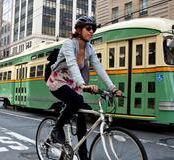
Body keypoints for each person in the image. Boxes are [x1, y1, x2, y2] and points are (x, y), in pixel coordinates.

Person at [46, 16, 123, 160]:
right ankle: (57, 130)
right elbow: (72, 65)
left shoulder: (89, 48)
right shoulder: (69, 44)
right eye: (88, 28)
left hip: (74, 83)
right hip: (59, 80)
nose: (91, 31)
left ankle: (83, 155)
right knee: (76, 100)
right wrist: (82, 85)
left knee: (82, 115)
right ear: (79, 30)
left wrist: (112, 88)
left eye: (93, 29)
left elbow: (99, 68)